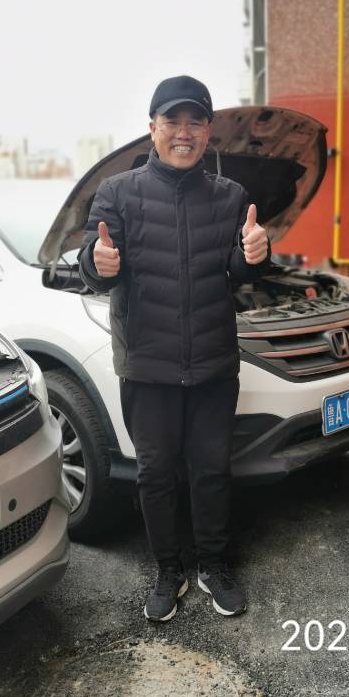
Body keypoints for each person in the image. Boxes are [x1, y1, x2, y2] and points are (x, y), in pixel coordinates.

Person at [77, 75, 271, 621]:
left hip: (212, 362)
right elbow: (94, 262)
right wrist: (97, 262)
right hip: (147, 363)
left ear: (208, 131)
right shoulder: (118, 193)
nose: (183, 132)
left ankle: (213, 564)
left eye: (194, 121)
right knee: (155, 474)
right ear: (153, 128)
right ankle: (168, 569)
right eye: (172, 121)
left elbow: (239, 269)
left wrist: (256, 253)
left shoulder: (229, 196)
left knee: (211, 470)